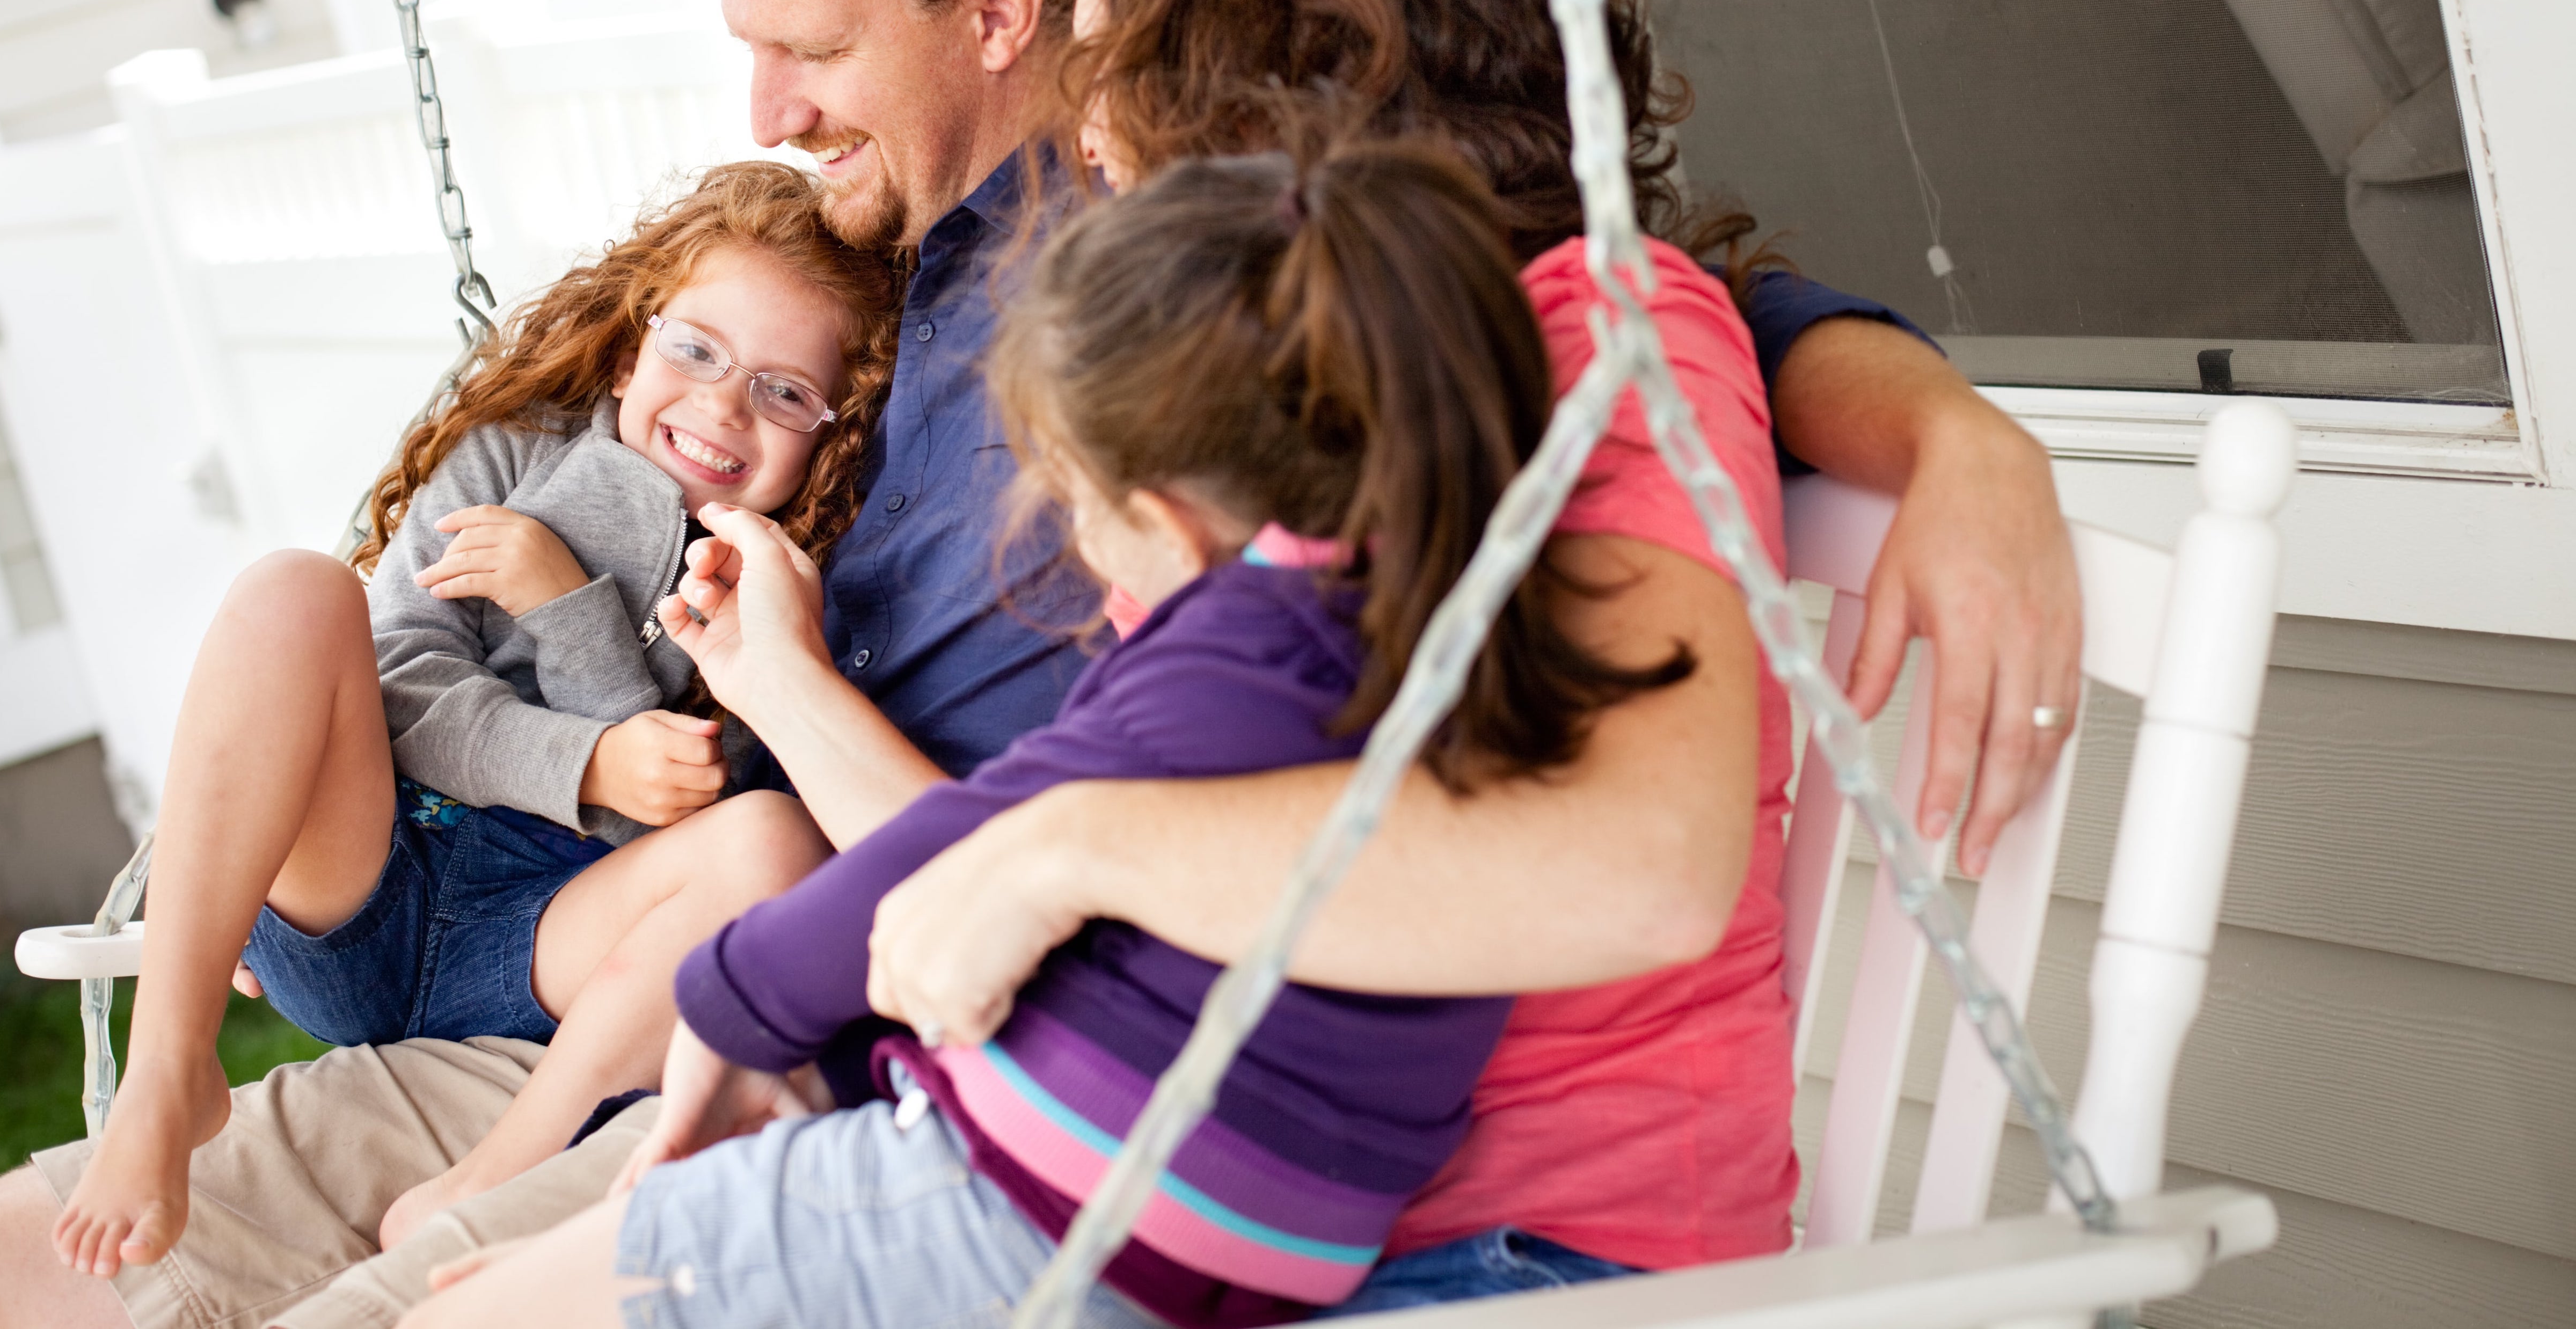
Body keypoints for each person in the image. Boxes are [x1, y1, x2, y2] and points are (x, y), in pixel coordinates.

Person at [0, 0, 2076, 1329]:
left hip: (1161, 1136)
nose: (1092, 108)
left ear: (1251, 95)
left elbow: (1647, 313)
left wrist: (1945, 423)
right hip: (874, 1023)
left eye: (1119, 44)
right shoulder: (1049, 298)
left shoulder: (1352, 327)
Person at [411, 137, 1758, 1329]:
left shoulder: (1216, 662)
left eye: (1070, 502)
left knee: (489, 1309)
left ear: (1167, 524)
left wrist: (731, 1011)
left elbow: (949, 846)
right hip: (1291, 1240)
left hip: (1067, 1197)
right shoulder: (1443, 638)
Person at [46, 165, 899, 1279]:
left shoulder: (772, 576)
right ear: (640, 338)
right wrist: (586, 754)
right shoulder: (513, 453)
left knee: (771, 844)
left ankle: (490, 1173)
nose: (722, 407)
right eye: (696, 349)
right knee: (295, 592)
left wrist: (570, 617)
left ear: (831, 432)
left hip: (547, 946)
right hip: (369, 876)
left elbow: (661, 837)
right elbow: (402, 681)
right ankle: (169, 1062)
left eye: (786, 392)